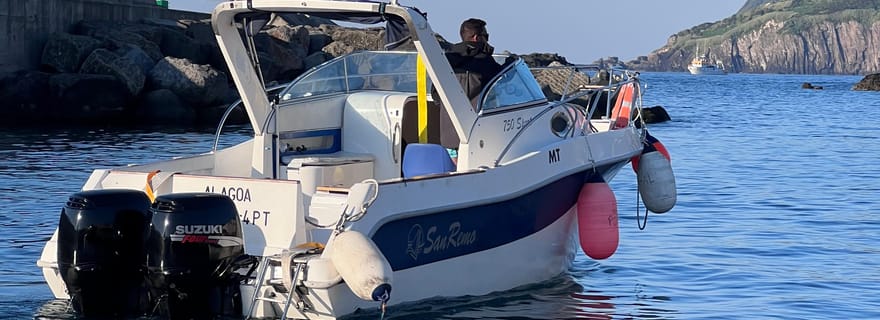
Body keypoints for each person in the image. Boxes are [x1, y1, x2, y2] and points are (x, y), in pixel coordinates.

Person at [435, 18, 503, 163]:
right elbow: (500, 87)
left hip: (449, 137)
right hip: (477, 136)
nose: (487, 40)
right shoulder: (485, 62)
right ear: (477, 38)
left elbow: (436, 95)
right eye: (486, 36)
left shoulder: (446, 60)